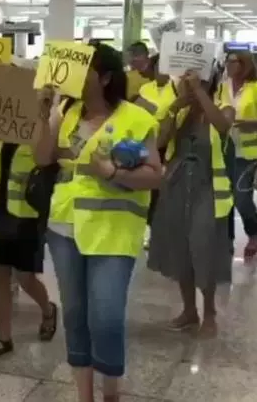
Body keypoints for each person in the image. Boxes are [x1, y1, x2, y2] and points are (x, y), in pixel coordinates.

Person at [34, 43, 163, 402]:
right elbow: (42, 157)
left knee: (105, 316)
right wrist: (42, 113)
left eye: (84, 69)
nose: (73, 75)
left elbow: (155, 176)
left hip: (115, 230)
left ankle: (111, 392)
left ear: (105, 78)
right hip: (65, 227)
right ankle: (84, 395)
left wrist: (110, 171)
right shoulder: (65, 112)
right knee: (75, 313)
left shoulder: (135, 118)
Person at [148, 69, 234, 336]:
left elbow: (223, 125)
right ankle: (189, 311)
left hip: (207, 188)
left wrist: (199, 93)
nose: (190, 84)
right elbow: (160, 140)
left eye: (198, 80)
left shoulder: (223, 105)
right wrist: (175, 106)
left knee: (204, 247)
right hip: (176, 186)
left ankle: (210, 312)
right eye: (186, 80)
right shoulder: (179, 110)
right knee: (180, 248)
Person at [0, 135, 58, 360]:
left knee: (25, 277)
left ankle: (48, 309)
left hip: (27, 215)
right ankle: (4, 338)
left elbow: (45, 163)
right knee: (0, 277)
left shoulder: (36, 132)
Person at [219, 51, 257, 258]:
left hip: (248, 152)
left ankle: (253, 233)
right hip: (223, 150)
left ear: (244, 64)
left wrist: (253, 123)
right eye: (227, 61)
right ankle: (226, 240)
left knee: (242, 198)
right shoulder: (222, 87)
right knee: (224, 198)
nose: (229, 65)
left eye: (233, 61)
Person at [134, 54, 175, 248]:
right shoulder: (145, 89)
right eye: (158, 67)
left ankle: (161, 229)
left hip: (168, 143)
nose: (161, 71)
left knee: (162, 189)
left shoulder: (175, 89)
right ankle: (148, 228)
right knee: (147, 186)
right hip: (145, 141)